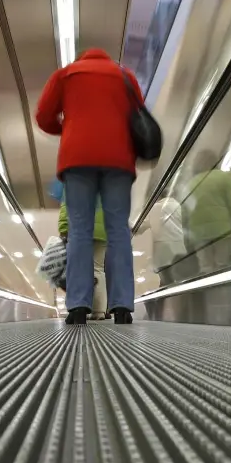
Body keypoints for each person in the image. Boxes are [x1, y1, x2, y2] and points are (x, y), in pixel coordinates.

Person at [35, 48, 144, 325]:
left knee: (79, 230)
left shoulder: (66, 75)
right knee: (118, 230)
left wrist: (70, 127)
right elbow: (139, 117)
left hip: (78, 159)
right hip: (118, 160)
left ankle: (78, 307)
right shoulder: (126, 76)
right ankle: (121, 307)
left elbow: (44, 115)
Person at [183, 149, 231, 274]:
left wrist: (187, 243)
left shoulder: (189, 186)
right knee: (223, 267)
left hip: (199, 236)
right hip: (223, 232)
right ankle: (225, 293)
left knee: (206, 269)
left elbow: (185, 218)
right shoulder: (224, 178)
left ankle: (211, 293)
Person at [59, 200, 109, 318]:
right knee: (98, 269)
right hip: (103, 231)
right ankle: (99, 311)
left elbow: (66, 204)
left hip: (79, 229)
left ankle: (79, 307)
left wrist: (63, 227)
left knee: (78, 270)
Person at [144, 196, 186, 287]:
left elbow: (141, 226)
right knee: (180, 279)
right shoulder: (177, 205)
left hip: (163, 252)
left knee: (166, 281)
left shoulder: (155, 207)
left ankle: (167, 298)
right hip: (179, 248)